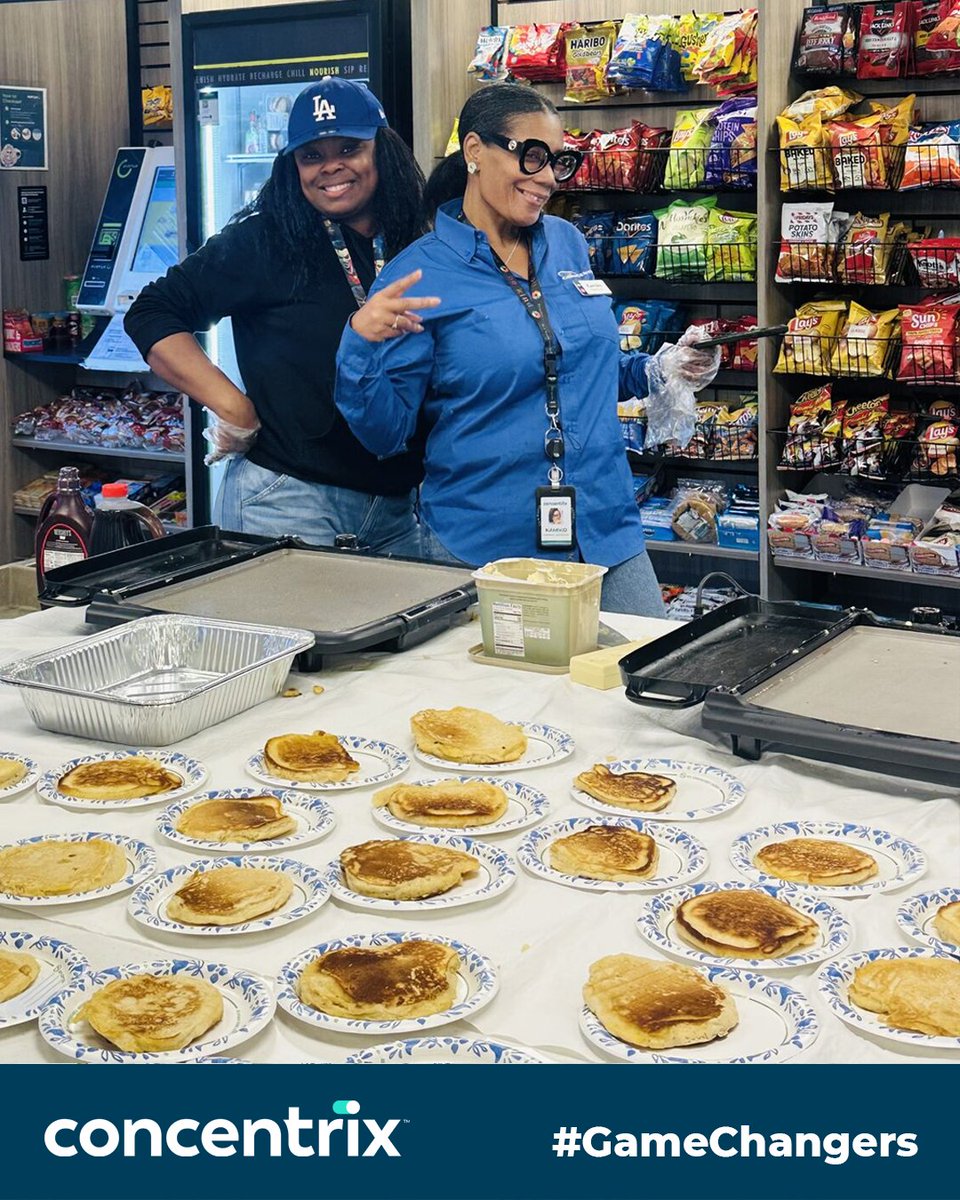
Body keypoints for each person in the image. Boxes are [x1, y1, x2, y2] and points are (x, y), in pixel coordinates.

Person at [334, 84, 719, 614]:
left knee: (637, 685)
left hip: (605, 529)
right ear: (474, 151)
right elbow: (384, 433)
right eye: (531, 155)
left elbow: (576, 361)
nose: (545, 178)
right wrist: (358, 345)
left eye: (558, 161)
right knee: (509, 698)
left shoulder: (567, 241)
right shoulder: (417, 277)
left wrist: (659, 369)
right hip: (488, 548)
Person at [124, 77, 428, 553]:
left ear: (382, 150)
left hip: (396, 507)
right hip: (286, 500)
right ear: (292, 166)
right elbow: (152, 312)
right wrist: (232, 405)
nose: (331, 168)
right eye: (311, 156)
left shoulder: (417, 238)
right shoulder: (266, 239)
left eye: (349, 147)